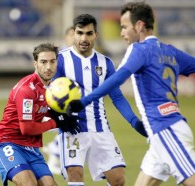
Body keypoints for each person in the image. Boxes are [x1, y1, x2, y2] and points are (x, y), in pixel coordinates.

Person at [67, 2, 195, 186]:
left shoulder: (139, 50)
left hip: (166, 130)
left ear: (139, 26)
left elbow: (118, 78)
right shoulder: (171, 51)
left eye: (124, 27)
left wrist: (84, 101)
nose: (122, 33)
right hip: (161, 134)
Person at [54, 14, 146, 186]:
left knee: (118, 179)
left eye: (89, 33)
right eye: (80, 33)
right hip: (72, 128)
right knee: (75, 174)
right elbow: (50, 94)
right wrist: (60, 118)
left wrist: (134, 122)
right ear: (73, 33)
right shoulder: (60, 60)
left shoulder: (105, 63)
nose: (84, 38)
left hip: (100, 128)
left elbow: (117, 97)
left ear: (96, 34)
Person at [0, 43, 81, 186]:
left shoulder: (53, 88)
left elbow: (48, 110)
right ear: (35, 64)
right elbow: (26, 128)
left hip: (31, 147)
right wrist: (57, 123)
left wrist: (66, 115)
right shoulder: (27, 89)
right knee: (29, 183)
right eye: (43, 62)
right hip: (7, 143)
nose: (49, 67)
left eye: (52, 61)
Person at [42, 26, 75, 175]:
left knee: (67, 128)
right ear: (66, 37)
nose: (73, 38)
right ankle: (53, 153)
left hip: (68, 100)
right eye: (71, 35)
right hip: (54, 99)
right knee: (65, 127)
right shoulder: (58, 55)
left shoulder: (77, 57)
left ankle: (53, 151)